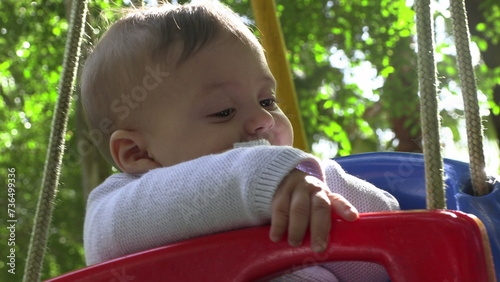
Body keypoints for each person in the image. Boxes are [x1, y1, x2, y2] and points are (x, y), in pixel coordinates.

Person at [81, 1, 399, 281]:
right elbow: (190, 193)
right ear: (138, 153)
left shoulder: (291, 203)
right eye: (224, 111)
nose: (263, 120)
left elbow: (383, 252)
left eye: (267, 101)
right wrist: (268, 175)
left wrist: (319, 186)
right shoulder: (116, 210)